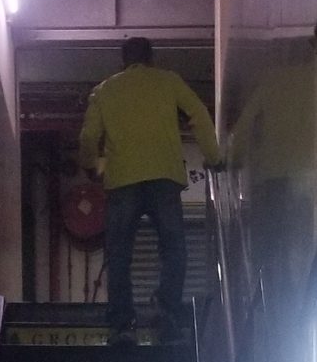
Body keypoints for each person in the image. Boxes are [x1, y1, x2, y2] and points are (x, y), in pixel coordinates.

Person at [79, 37, 221, 345]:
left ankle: (123, 326)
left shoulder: (105, 90)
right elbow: (198, 114)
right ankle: (165, 310)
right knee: (173, 248)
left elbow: (89, 136)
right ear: (151, 58)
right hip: (163, 179)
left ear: (123, 61)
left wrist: (90, 165)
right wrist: (214, 157)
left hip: (123, 182)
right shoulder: (169, 82)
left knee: (119, 254)